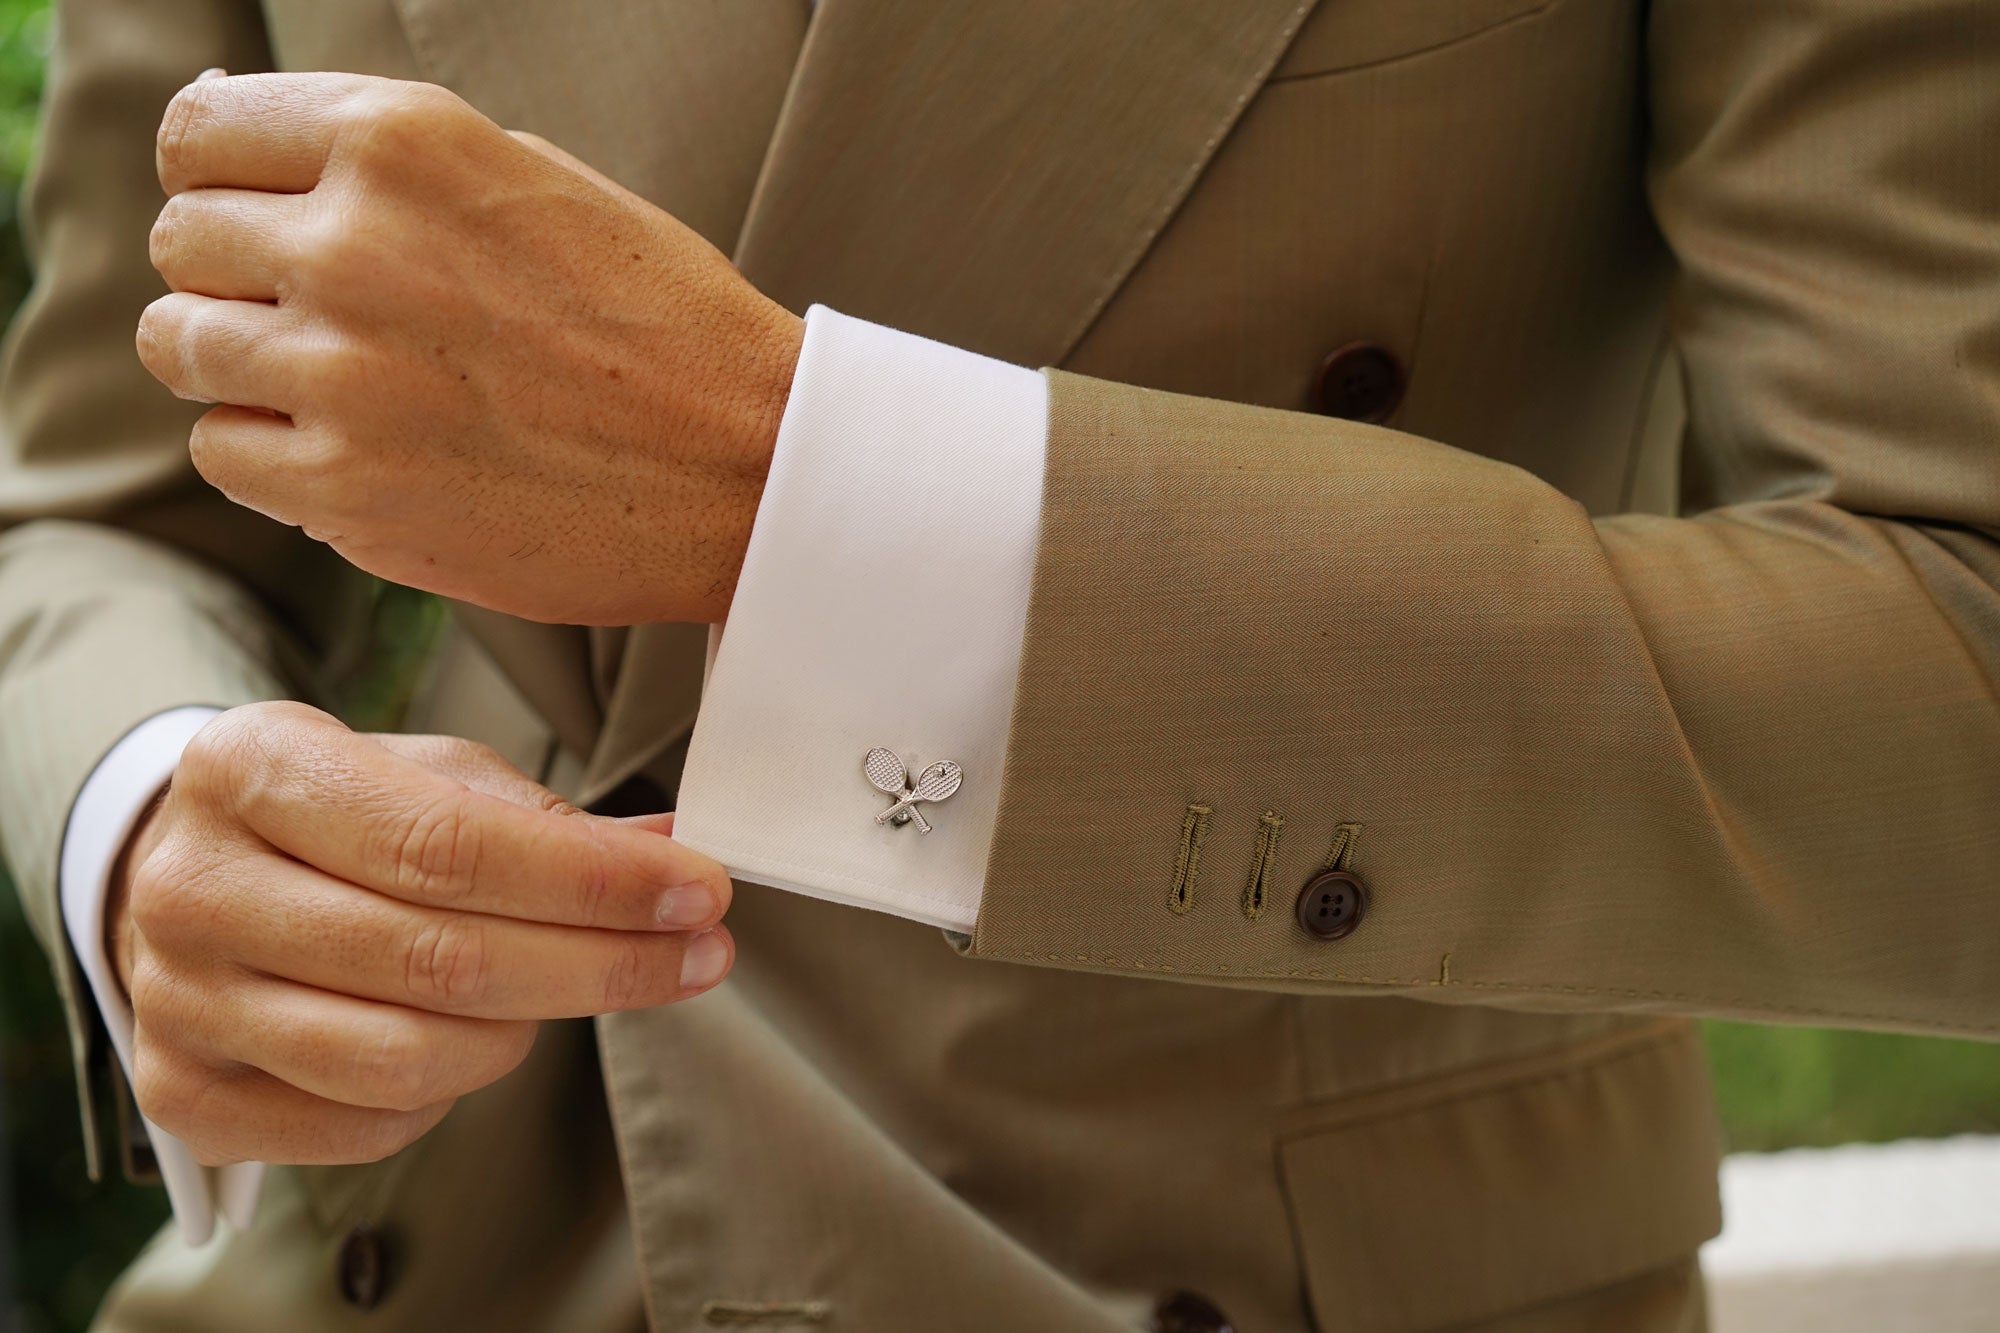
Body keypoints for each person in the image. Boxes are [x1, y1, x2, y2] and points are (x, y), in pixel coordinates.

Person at [3, 0, 1995, 1328]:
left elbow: (1955, 681)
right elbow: (91, 492)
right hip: (426, 1242)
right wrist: (154, 807)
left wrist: (813, 492)